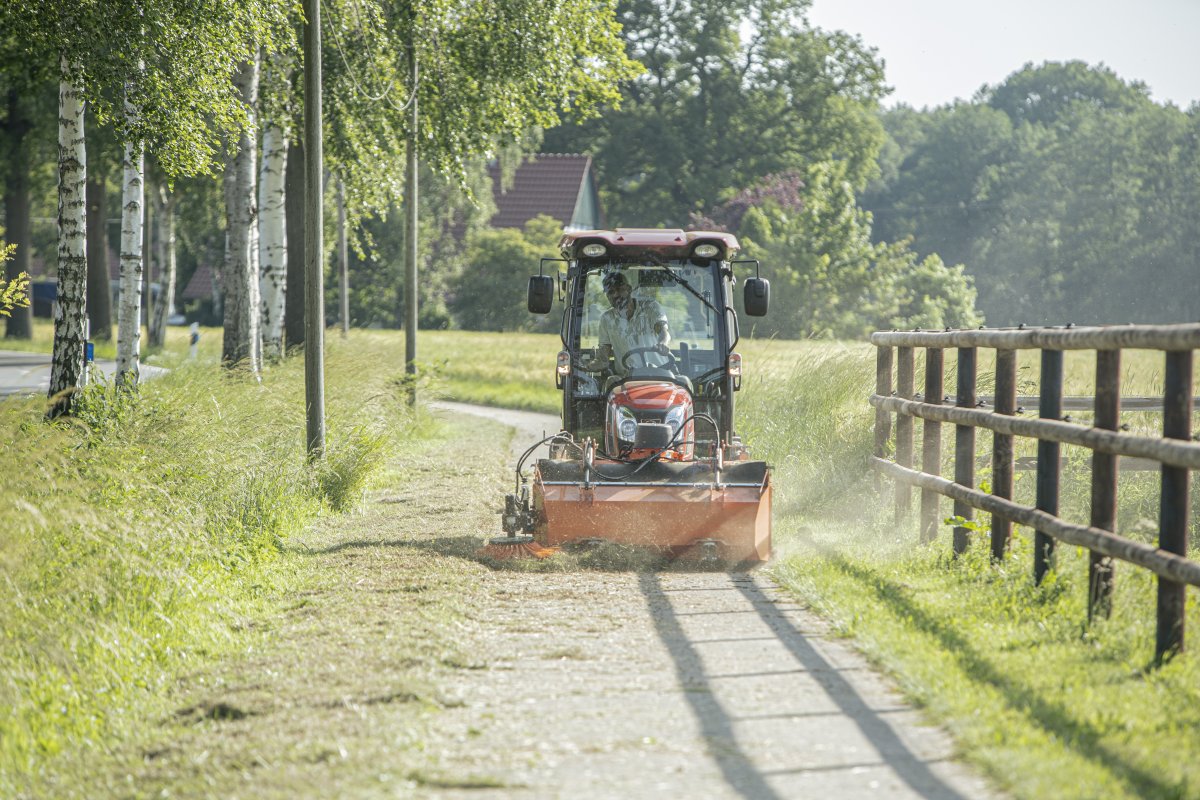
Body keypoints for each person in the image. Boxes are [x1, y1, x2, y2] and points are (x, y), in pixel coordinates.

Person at [589, 270, 671, 376]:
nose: (615, 295)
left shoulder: (651, 307)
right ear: (607, 296)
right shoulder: (607, 319)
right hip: (627, 379)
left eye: (619, 289)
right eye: (610, 292)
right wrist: (589, 365)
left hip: (661, 374)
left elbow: (663, 331)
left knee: (684, 383)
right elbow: (604, 356)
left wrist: (663, 343)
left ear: (629, 289)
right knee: (609, 384)